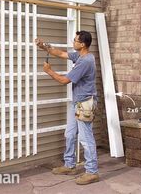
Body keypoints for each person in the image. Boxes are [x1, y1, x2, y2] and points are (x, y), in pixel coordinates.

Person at [35, 30, 99, 185]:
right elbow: (62, 54)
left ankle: (92, 171)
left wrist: (49, 71)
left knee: (85, 138)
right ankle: (69, 165)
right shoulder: (81, 55)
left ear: (82, 44)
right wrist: (44, 46)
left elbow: (64, 80)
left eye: (75, 40)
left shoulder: (85, 62)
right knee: (70, 134)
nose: (73, 42)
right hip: (76, 102)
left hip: (85, 104)